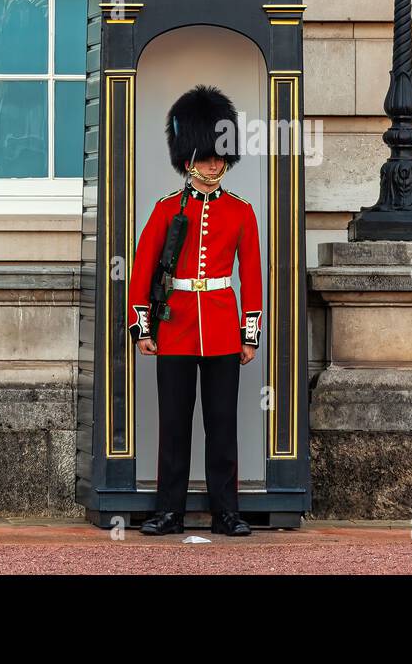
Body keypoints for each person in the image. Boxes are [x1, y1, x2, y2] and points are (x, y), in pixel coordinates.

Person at [127, 85, 262, 537]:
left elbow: (253, 279)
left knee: (223, 427)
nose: (215, 164)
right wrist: (142, 327)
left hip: (222, 327)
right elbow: (143, 270)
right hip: (178, 327)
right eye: (206, 157)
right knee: (174, 426)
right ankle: (170, 511)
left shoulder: (242, 213)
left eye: (220, 155)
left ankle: (227, 511)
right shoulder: (167, 210)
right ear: (189, 158)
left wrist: (249, 334)